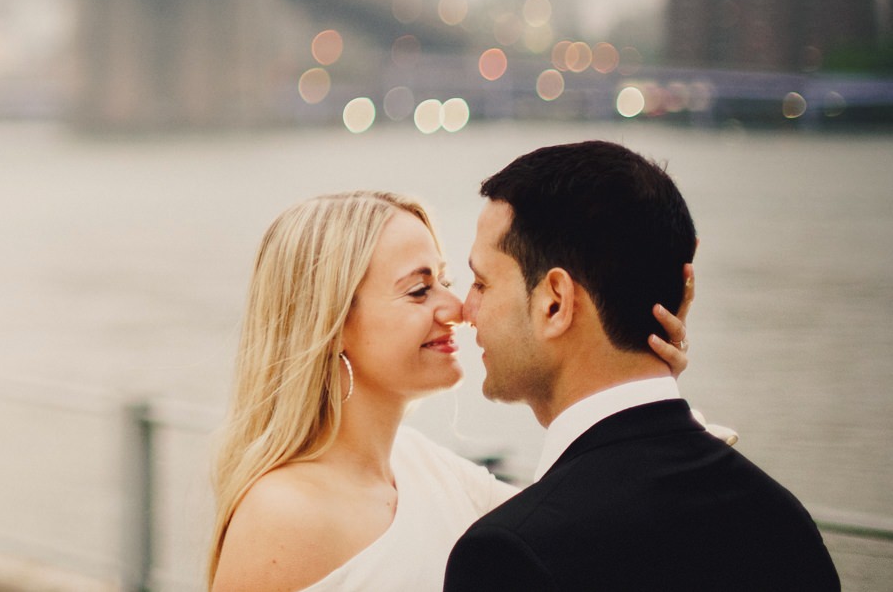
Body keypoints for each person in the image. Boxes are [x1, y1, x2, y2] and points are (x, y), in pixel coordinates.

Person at [205, 188, 692, 592]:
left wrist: (644, 380)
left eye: (446, 281)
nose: (458, 307)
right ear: (330, 326)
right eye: (420, 290)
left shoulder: (425, 469)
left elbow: (591, 531)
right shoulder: (280, 516)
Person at [446, 140, 838, 590]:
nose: (464, 308)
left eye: (481, 282)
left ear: (555, 302)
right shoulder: (782, 520)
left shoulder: (509, 554)